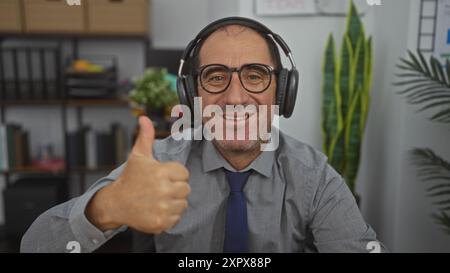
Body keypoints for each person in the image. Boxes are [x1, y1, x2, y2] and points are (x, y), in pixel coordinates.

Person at [21, 17, 386, 253]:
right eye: (215, 77)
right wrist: (107, 207)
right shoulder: (159, 163)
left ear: (283, 91)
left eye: (255, 75)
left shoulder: (314, 176)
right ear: (192, 95)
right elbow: (34, 245)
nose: (235, 97)